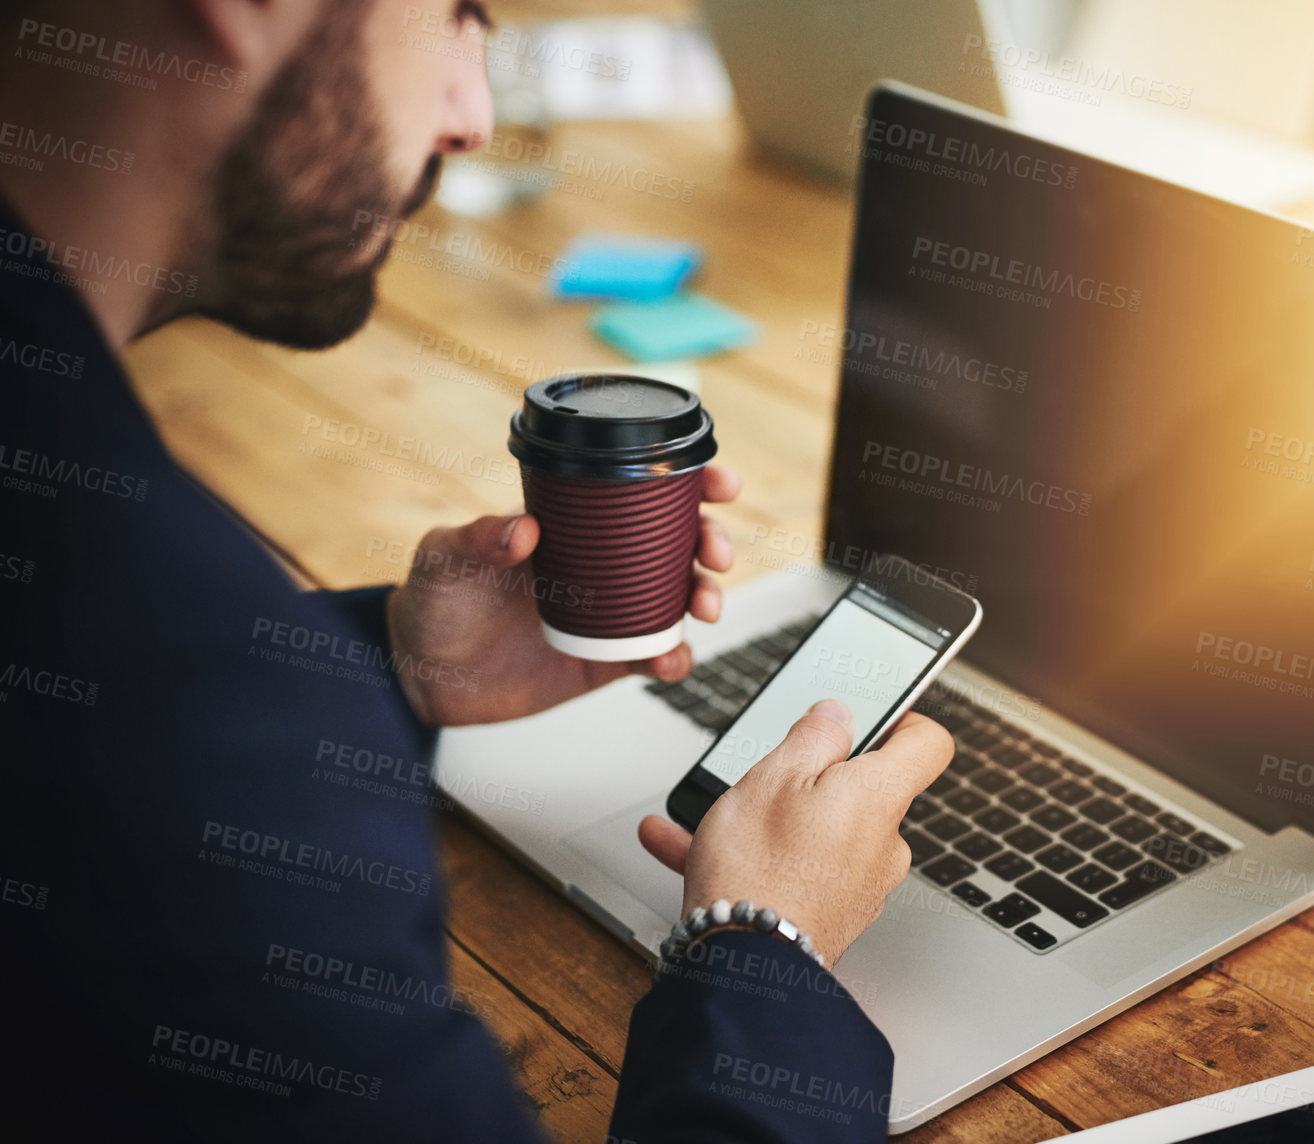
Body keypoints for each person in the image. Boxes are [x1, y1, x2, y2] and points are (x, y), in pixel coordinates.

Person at [0, 1, 952, 1140]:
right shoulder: (181, 707)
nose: (473, 114)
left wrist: (377, 666)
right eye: (454, 15)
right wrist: (768, 952)